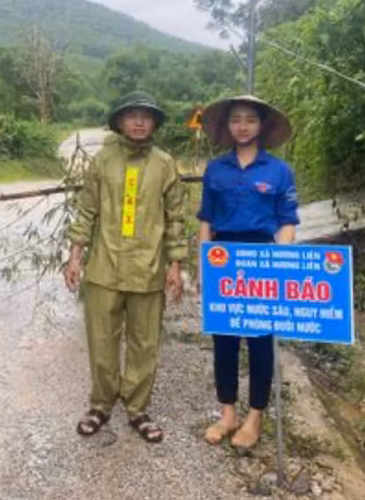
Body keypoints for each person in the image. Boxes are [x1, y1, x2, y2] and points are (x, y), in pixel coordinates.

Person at [64, 91, 187, 443]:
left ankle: (138, 409)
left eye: (145, 116)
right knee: (101, 339)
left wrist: (175, 265)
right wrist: (74, 256)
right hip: (104, 268)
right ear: (119, 121)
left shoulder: (165, 164)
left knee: (144, 342)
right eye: (131, 115)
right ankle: (100, 405)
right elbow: (87, 210)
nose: (138, 121)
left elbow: (176, 218)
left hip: (148, 270)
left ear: (154, 124)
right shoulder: (102, 161)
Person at [196, 94, 299, 449]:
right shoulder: (216, 169)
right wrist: (203, 265)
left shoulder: (279, 171)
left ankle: (255, 417)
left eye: (250, 120)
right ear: (227, 126)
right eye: (236, 119)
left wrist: (280, 264)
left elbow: (287, 223)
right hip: (223, 258)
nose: (242, 126)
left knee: (259, 343)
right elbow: (206, 221)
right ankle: (228, 414)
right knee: (223, 339)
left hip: (262, 259)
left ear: (262, 126)